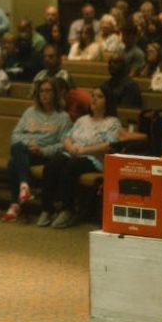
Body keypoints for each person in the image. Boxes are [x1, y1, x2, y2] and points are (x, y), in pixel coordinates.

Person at [38, 87, 122, 229]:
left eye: (99, 96)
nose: (94, 99)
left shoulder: (113, 122)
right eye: (93, 95)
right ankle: (47, 209)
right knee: (52, 165)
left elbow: (109, 145)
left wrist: (85, 149)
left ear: (108, 101)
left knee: (70, 167)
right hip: (74, 153)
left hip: (94, 158)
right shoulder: (82, 119)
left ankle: (68, 209)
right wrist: (70, 147)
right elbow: (67, 137)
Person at [3, 77, 72, 222]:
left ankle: (17, 201)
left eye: (48, 91)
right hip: (26, 151)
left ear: (55, 94)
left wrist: (42, 150)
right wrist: (29, 144)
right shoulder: (30, 112)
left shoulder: (63, 117)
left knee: (14, 159)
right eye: (41, 91)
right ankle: (24, 188)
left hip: (45, 155)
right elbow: (15, 135)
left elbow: (63, 144)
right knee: (16, 150)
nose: (44, 95)